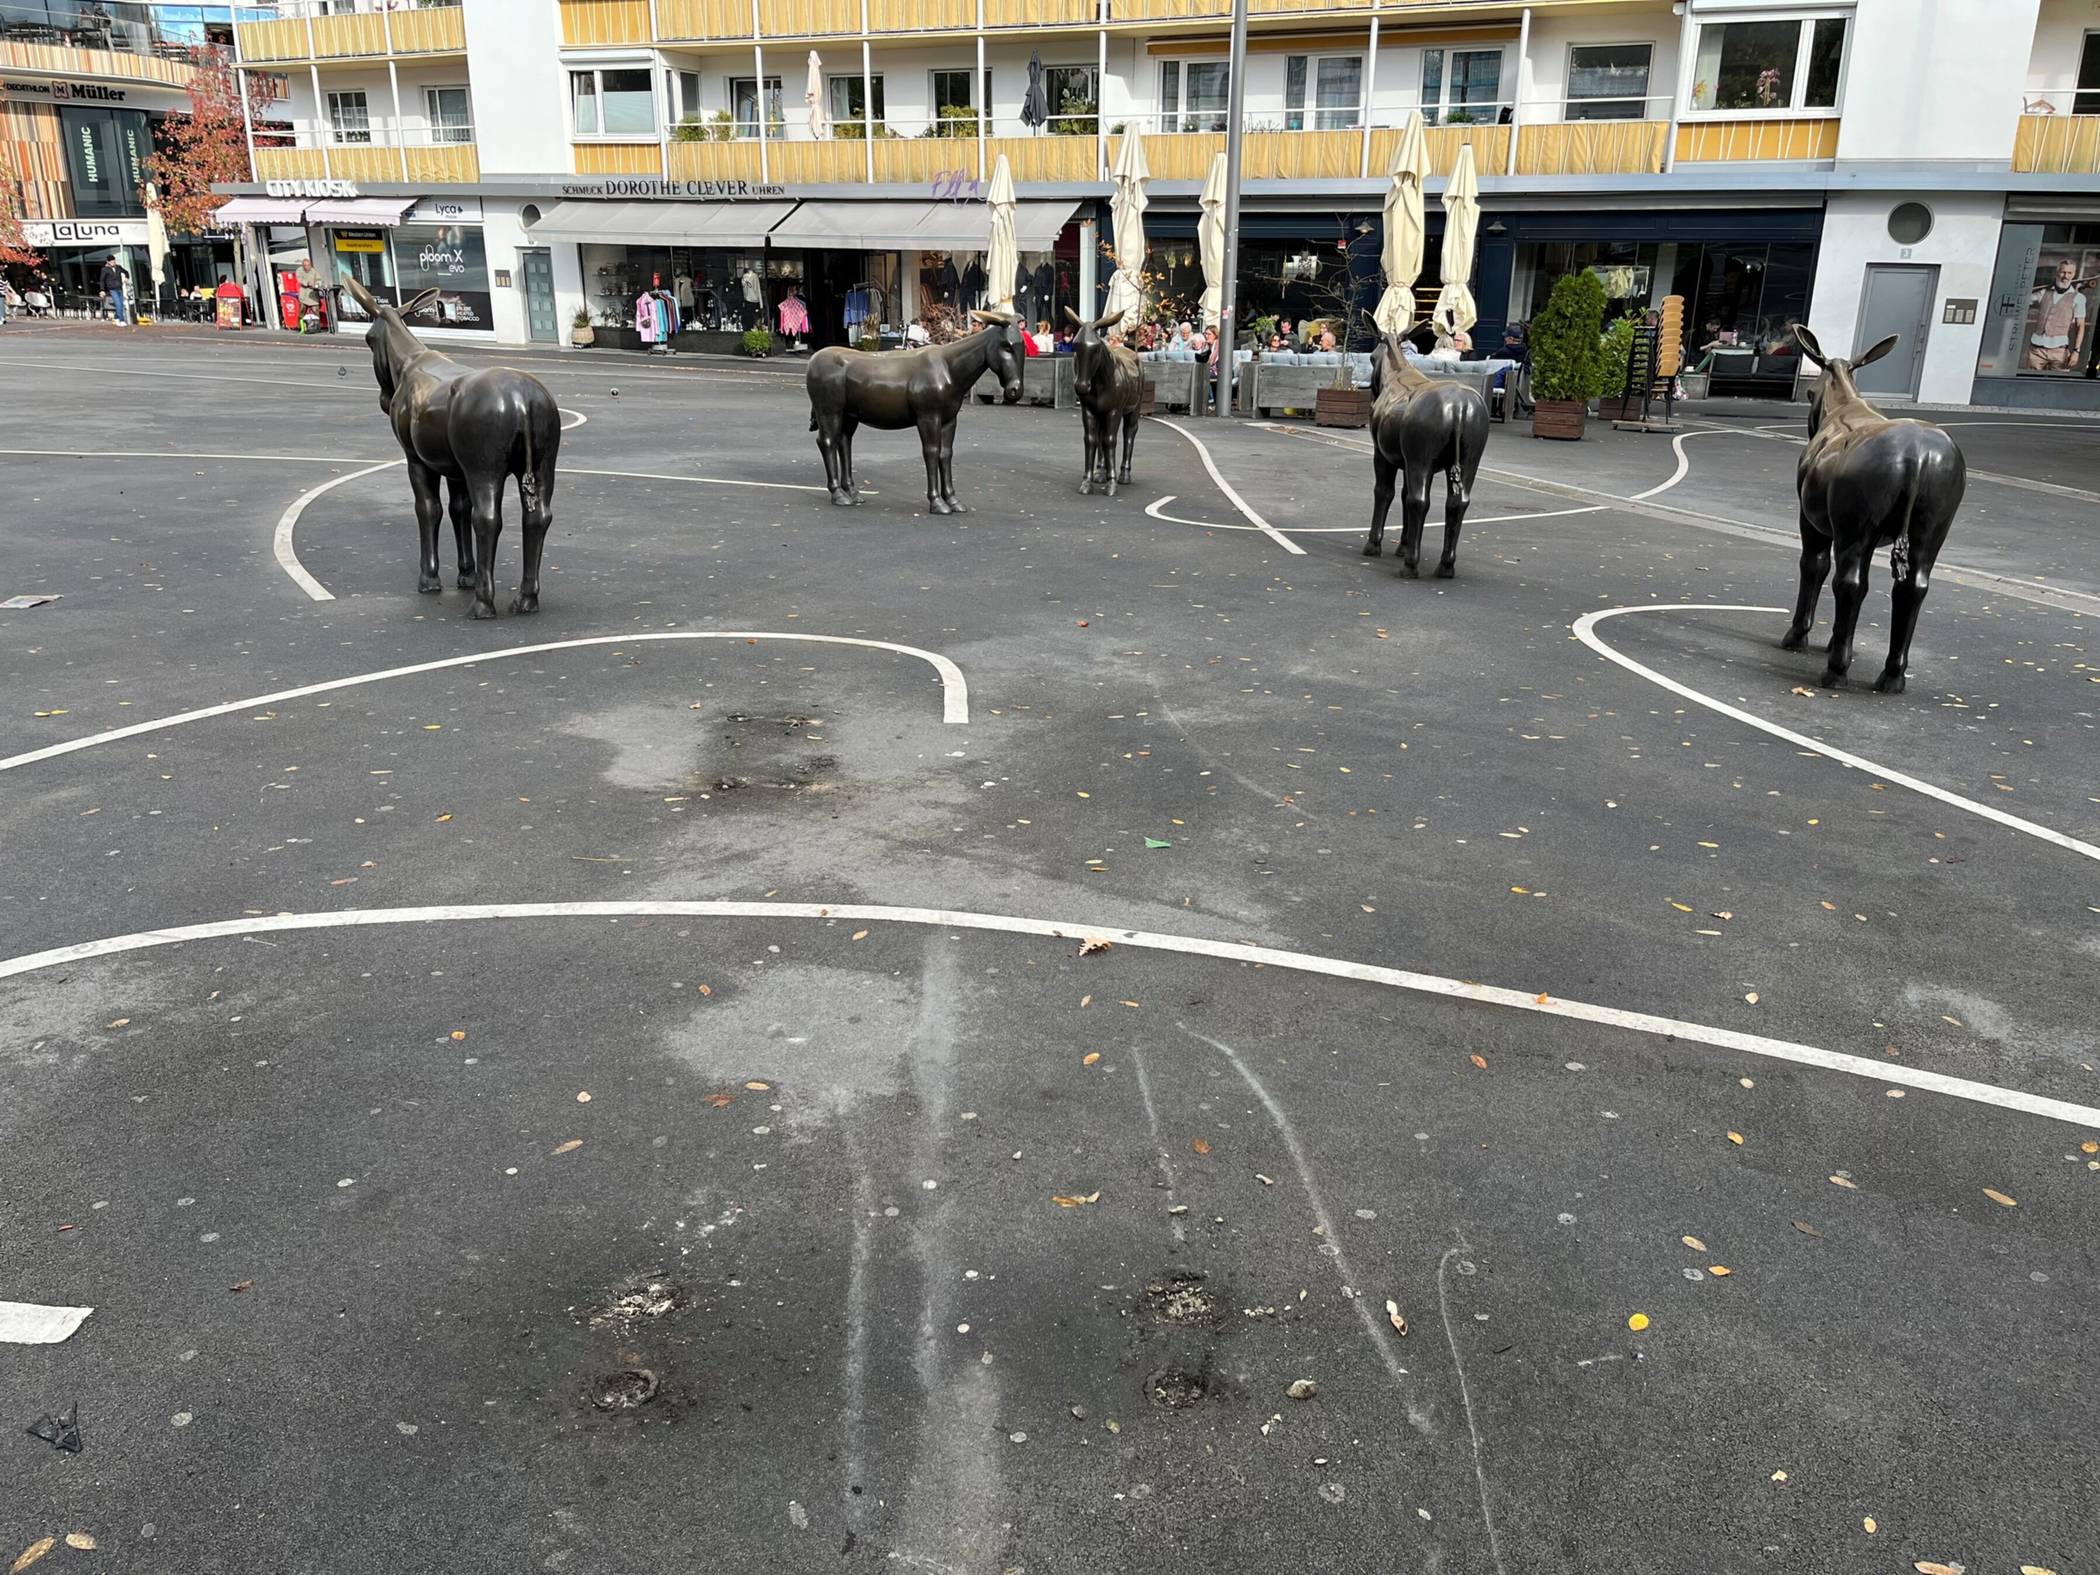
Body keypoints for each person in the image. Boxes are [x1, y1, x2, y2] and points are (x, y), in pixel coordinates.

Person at [2024, 256, 2089, 371]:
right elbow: (2023, 300)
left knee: (2058, 386)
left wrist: (2076, 351)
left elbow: (2080, 326)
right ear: (2057, 273)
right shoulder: (2043, 292)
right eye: (2063, 272)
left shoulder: (2079, 298)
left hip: (2060, 351)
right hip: (2036, 350)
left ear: (2074, 274)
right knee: (2030, 382)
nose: (2065, 276)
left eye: (2069, 273)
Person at [294, 254, 326, 332]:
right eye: (305, 265)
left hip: (313, 294)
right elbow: (299, 279)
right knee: (302, 311)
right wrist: (307, 283)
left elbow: (319, 279)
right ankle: (300, 326)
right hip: (304, 294)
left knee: (316, 310)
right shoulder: (299, 270)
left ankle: (316, 327)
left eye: (308, 265)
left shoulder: (313, 271)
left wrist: (317, 284)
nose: (307, 267)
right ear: (303, 266)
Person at [98, 256, 130, 325]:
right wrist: (102, 290)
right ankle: (122, 320)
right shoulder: (105, 269)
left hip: (120, 288)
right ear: (108, 262)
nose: (113, 263)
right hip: (112, 289)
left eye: (114, 261)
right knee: (118, 304)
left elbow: (126, 272)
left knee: (121, 305)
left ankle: (116, 318)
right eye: (111, 262)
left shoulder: (119, 267)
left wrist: (127, 277)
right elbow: (102, 280)